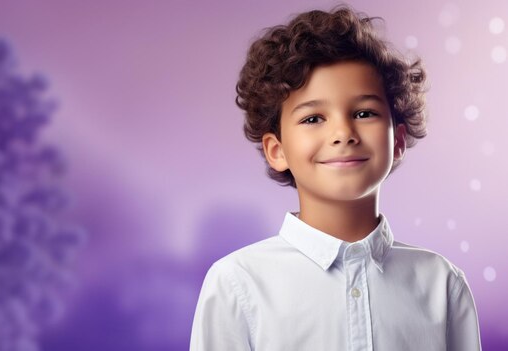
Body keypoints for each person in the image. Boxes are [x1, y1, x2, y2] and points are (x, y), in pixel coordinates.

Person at [189, 5, 481, 351]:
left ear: (398, 140)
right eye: (313, 118)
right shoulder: (237, 284)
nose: (343, 133)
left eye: (364, 113)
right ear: (276, 150)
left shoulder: (442, 285)